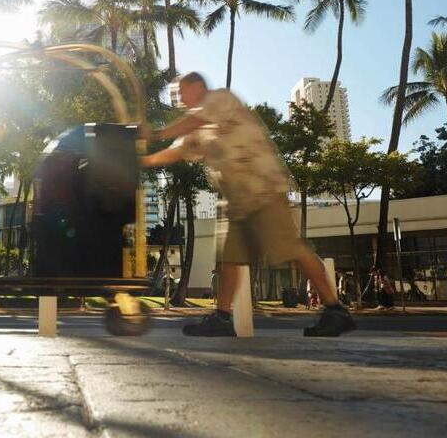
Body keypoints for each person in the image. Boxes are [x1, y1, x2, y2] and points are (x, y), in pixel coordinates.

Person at [141, 73, 356, 337]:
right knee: (230, 258)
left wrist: (155, 133)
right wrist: (143, 161)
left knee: (291, 250)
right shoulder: (196, 128)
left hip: (262, 189)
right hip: (234, 200)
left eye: (181, 91)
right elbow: (176, 150)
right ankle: (222, 317)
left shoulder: (219, 99)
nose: (178, 97)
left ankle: (335, 310)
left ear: (197, 87)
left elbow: (190, 122)